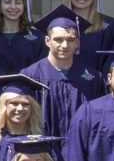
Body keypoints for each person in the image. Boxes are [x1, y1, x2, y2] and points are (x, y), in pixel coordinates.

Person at [24, 7, 103, 140]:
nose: (65, 45)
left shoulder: (92, 78)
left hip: (80, 149)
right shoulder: (30, 76)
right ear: (47, 41)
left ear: (77, 42)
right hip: (43, 150)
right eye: (58, 40)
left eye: (71, 40)